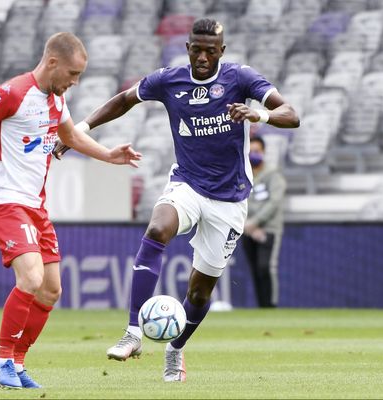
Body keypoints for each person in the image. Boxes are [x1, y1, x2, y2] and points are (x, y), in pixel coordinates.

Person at [53, 18, 299, 382]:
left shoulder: (241, 78)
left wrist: (258, 113)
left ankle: (176, 349)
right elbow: (123, 100)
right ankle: (133, 332)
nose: (202, 57)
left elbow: (291, 115)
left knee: (199, 293)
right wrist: (77, 132)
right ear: (187, 48)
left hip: (229, 199)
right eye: (196, 49)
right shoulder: (169, 80)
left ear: (222, 52)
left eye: (210, 51)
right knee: (157, 228)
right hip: (187, 183)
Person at [0, 32, 141, 389]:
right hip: (5, 201)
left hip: (35, 206)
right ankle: (2, 360)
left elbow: (70, 137)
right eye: (72, 74)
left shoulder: (57, 100)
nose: (75, 82)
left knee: (51, 289)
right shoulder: (11, 93)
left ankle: (18, 364)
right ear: (52, 63)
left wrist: (109, 155)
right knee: (31, 278)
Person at [241, 135, 286, 308]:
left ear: (264, 152)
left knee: (266, 267)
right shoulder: (243, 174)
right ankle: (261, 306)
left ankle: (270, 305)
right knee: (254, 269)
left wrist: (256, 222)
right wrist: (247, 226)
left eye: (257, 151)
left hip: (268, 229)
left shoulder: (273, 175)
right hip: (247, 229)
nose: (254, 154)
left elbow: (275, 202)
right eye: (250, 151)